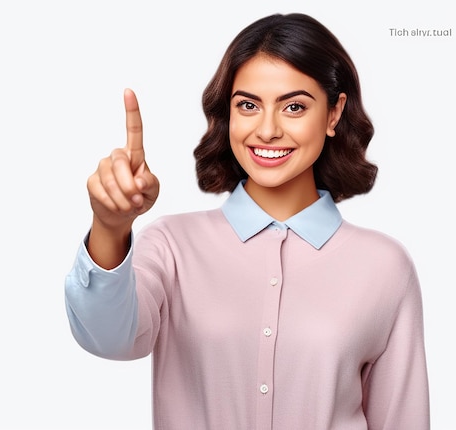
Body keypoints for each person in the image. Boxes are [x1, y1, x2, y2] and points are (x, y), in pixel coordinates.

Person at [64, 12, 430, 430]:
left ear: (333, 114)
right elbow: (108, 338)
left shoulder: (385, 266)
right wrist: (110, 226)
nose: (268, 129)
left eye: (294, 106)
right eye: (248, 105)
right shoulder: (171, 246)